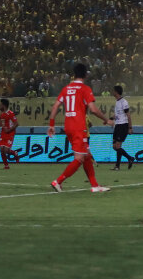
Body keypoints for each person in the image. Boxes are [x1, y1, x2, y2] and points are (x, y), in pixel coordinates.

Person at [47, 63, 111, 193]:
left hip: (68, 126)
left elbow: (55, 106)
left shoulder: (66, 89)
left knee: (86, 155)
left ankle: (95, 185)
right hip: (79, 126)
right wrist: (106, 119)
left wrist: (52, 125)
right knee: (79, 158)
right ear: (86, 75)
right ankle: (58, 181)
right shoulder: (85, 89)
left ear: (74, 74)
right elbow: (93, 109)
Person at [107, 85, 136, 170]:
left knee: (118, 146)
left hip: (123, 125)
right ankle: (129, 159)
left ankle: (119, 165)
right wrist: (110, 119)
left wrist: (130, 127)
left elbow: (128, 115)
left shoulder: (124, 102)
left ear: (116, 92)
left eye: (113, 91)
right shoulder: (117, 102)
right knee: (114, 146)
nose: (112, 92)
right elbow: (117, 114)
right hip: (117, 125)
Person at [0, 97, 21, 169]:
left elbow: (16, 124)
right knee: (1, 149)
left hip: (10, 133)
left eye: (0, 105)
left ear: (4, 105)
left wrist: (9, 130)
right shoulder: (2, 114)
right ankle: (6, 165)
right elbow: (1, 123)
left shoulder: (11, 114)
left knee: (6, 150)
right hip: (3, 133)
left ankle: (14, 153)